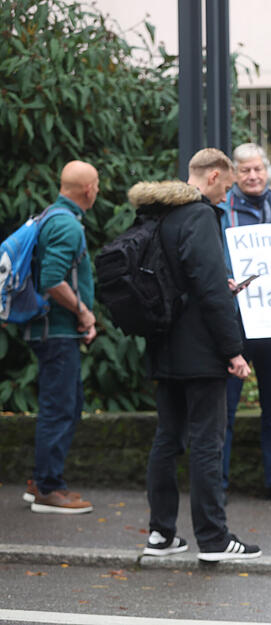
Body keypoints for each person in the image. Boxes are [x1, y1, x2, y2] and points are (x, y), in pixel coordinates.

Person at [139, 148, 261, 561]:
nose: (227, 196)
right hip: (201, 350)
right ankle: (213, 538)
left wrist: (214, 285)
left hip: (163, 344)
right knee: (207, 442)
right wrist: (234, 350)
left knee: (167, 439)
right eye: (226, 186)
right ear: (211, 177)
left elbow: (179, 279)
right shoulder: (199, 216)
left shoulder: (156, 214)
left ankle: (161, 534)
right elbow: (209, 291)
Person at [218, 142, 271, 504]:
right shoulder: (221, 211)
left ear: (266, 171)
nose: (253, 176)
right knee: (224, 407)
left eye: (258, 169)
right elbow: (211, 258)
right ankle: (216, 485)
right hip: (236, 322)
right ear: (234, 174)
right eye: (245, 170)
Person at [22, 161, 98, 514]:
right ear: (87, 189)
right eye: (96, 185)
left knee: (66, 405)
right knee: (59, 408)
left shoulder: (51, 216)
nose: (97, 191)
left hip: (53, 331)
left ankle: (42, 480)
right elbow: (52, 279)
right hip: (57, 333)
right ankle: (48, 488)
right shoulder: (66, 225)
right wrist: (83, 313)